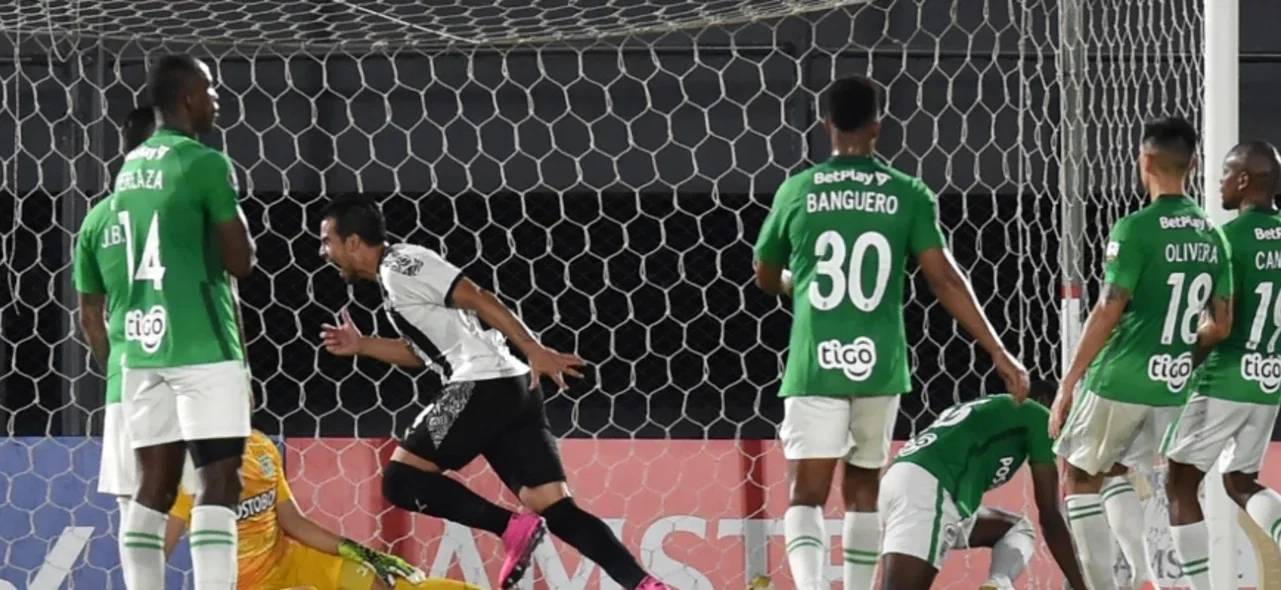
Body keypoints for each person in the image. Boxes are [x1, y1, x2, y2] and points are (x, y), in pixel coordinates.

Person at [751, 75, 1029, 590]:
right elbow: (945, 278)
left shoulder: (799, 190)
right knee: (863, 488)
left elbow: (764, 274)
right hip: (879, 365)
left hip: (816, 363)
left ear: (826, 125)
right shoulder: (907, 193)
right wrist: (999, 352)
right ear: (879, 126)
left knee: (806, 493)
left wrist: (796, 284)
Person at [316, 196, 669, 590]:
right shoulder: (394, 279)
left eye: (327, 241)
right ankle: (644, 585)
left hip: (481, 383)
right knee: (554, 505)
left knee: (401, 481)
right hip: (512, 388)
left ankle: (511, 528)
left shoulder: (401, 265)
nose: (323, 251)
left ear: (352, 242)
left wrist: (533, 347)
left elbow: (478, 296)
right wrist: (362, 345)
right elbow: (424, 353)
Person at [1051, 116, 1233, 590]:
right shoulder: (1212, 237)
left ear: (1145, 161)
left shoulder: (1135, 228)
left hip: (1119, 378)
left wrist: (1070, 382)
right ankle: (1142, 574)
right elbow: (1222, 324)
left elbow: (1109, 308)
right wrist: (1175, 353)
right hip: (1169, 388)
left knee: (1077, 476)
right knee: (1115, 470)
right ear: (1193, 166)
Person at [113, 54, 257, 590]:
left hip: (142, 348)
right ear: (190, 97)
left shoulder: (129, 168)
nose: (218, 99)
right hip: (201, 343)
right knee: (219, 480)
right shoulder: (204, 163)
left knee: (153, 485)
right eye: (212, 89)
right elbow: (239, 262)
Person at [1162, 140, 1281, 587]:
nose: (1220, 181)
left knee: (1179, 484)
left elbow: (1219, 323)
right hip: (1268, 382)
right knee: (1241, 482)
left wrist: (1181, 367)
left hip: (1222, 381)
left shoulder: (1225, 239)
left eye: (1227, 173)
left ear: (1246, 180)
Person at [163, 429, 479, 590]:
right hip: (242, 584)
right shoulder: (188, 470)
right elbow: (156, 549)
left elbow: (293, 522)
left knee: (387, 581)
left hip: (293, 560)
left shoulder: (260, 446)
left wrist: (360, 551)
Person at [877, 382, 1089, 590]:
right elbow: (1050, 515)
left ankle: (998, 584)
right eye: (1066, 416)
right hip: (927, 492)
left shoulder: (988, 409)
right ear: (1046, 402)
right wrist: (1081, 585)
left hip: (905, 483)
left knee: (1016, 529)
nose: (1063, 429)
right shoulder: (1038, 414)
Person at [75, 104, 159, 531]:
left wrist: (113, 365)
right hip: (193, 368)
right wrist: (240, 370)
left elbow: (90, 315)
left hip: (127, 376)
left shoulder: (95, 220)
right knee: (210, 499)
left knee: (134, 510)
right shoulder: (191, 210)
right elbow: (224, 294)